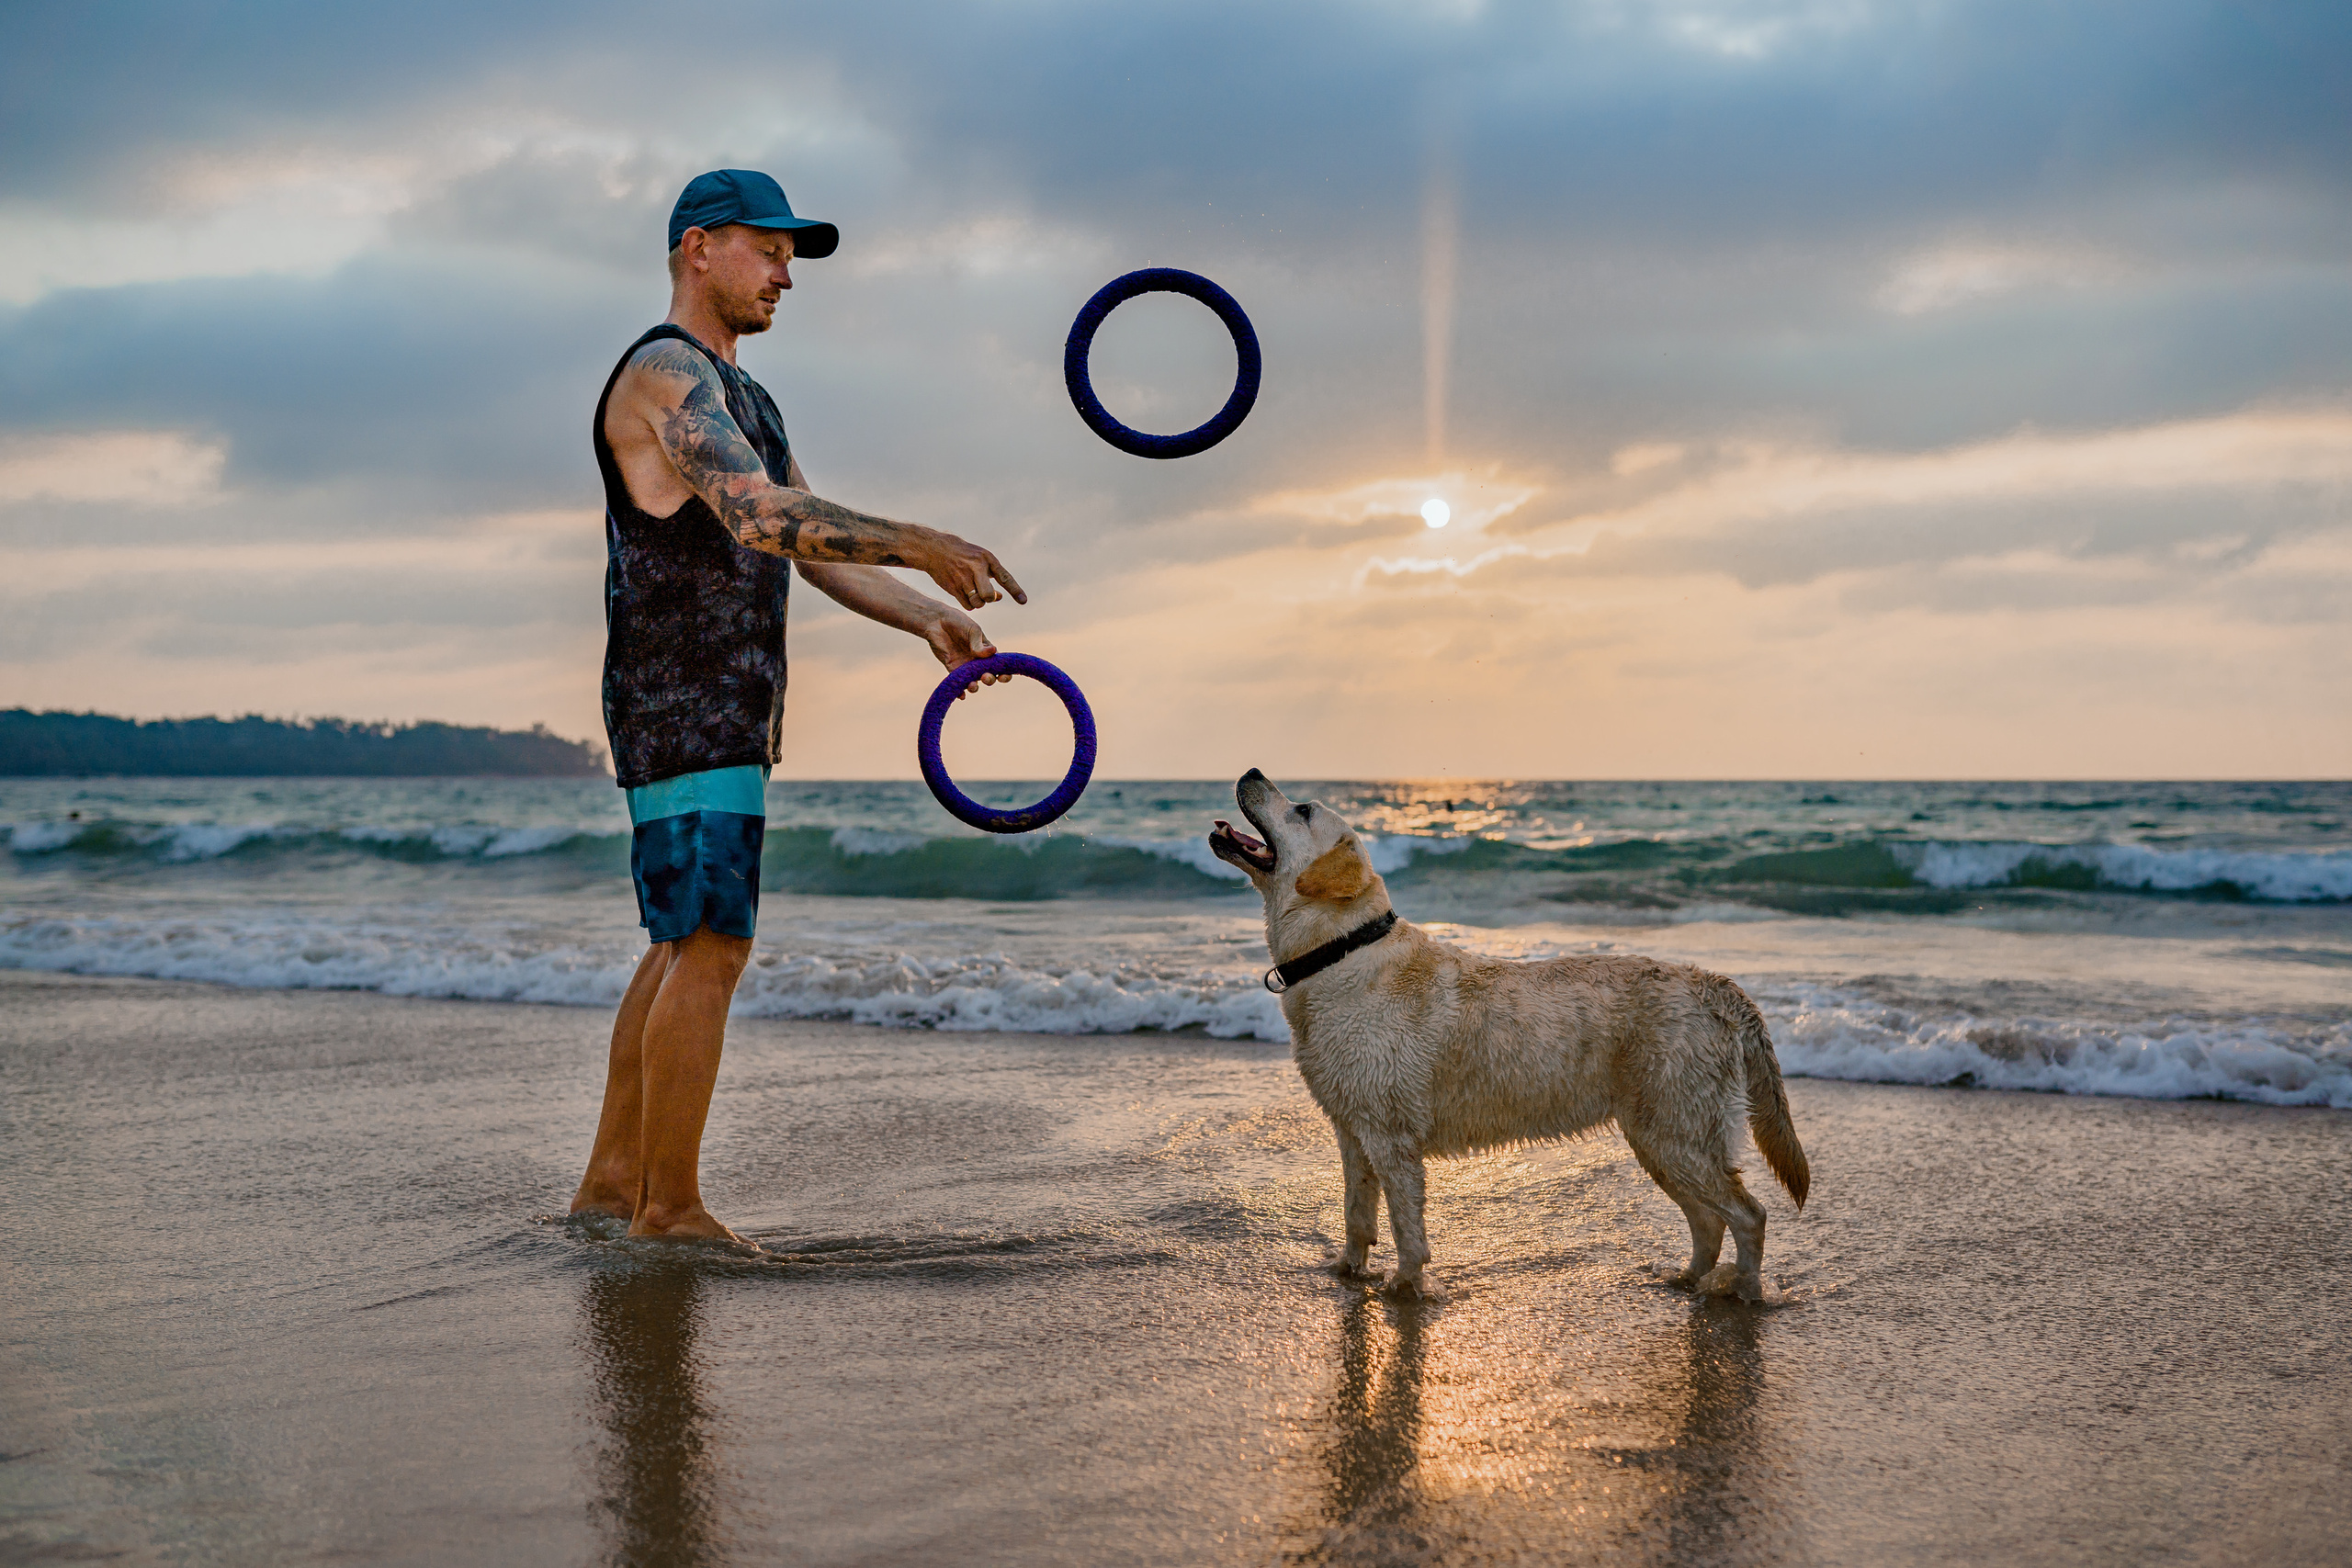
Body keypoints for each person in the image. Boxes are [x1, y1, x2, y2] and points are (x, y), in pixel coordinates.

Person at [571, 169, 1025, 1241]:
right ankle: (669, 1209)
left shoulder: (742, 394)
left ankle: (611, 1183)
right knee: (714, 942)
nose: (785, 274)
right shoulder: (662, 374)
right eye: (768, 249)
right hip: (681, 698)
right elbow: (761, 514)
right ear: (698, 248)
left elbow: (807, 545)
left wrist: (921, 614)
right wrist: (919, 535)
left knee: (682, 939)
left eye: (790, 256)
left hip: (718, 702)